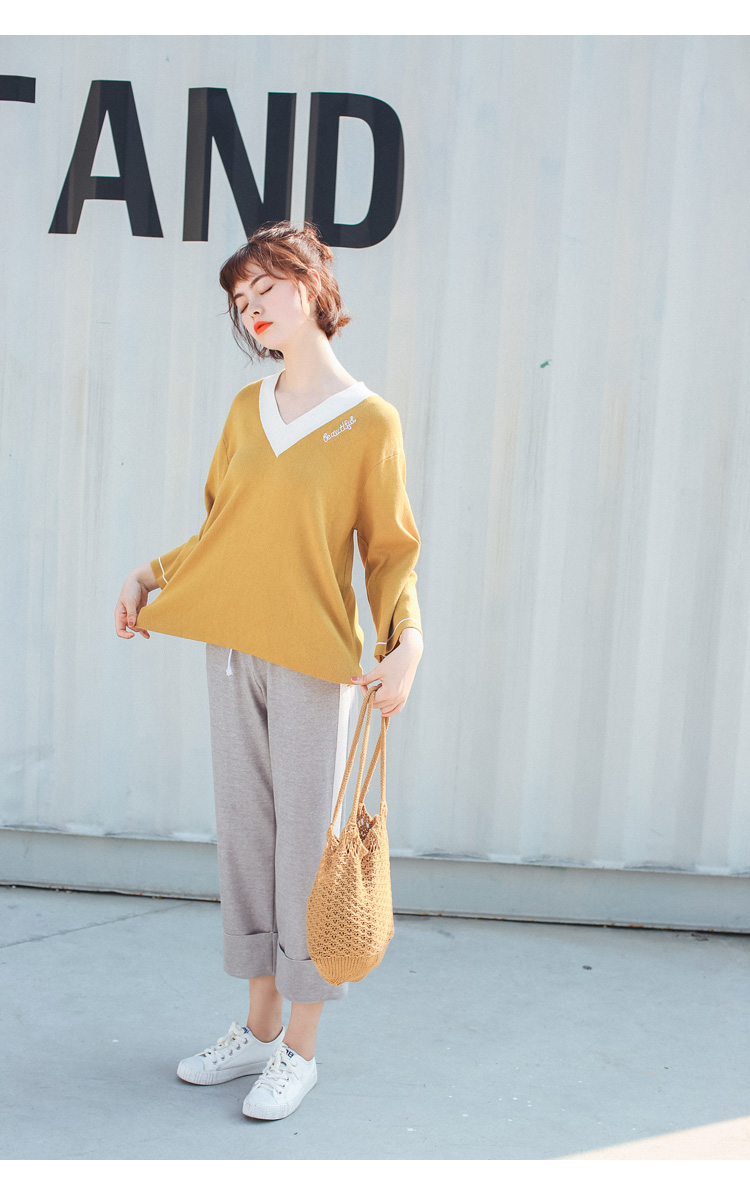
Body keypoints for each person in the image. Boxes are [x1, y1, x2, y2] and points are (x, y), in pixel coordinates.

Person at [114, 219, 424, 1121]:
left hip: (314, 666)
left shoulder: (370, 420)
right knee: (248, 838)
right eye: (239, 300)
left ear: (312, 287)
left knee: (306, 857)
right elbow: (224, 533)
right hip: (232, 655)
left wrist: (407, 640)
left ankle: (301, 1047)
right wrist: (151, 572)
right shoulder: (246, 410)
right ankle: (255, 1029)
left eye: (265, 289)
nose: (250, 309)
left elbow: (390, 553)